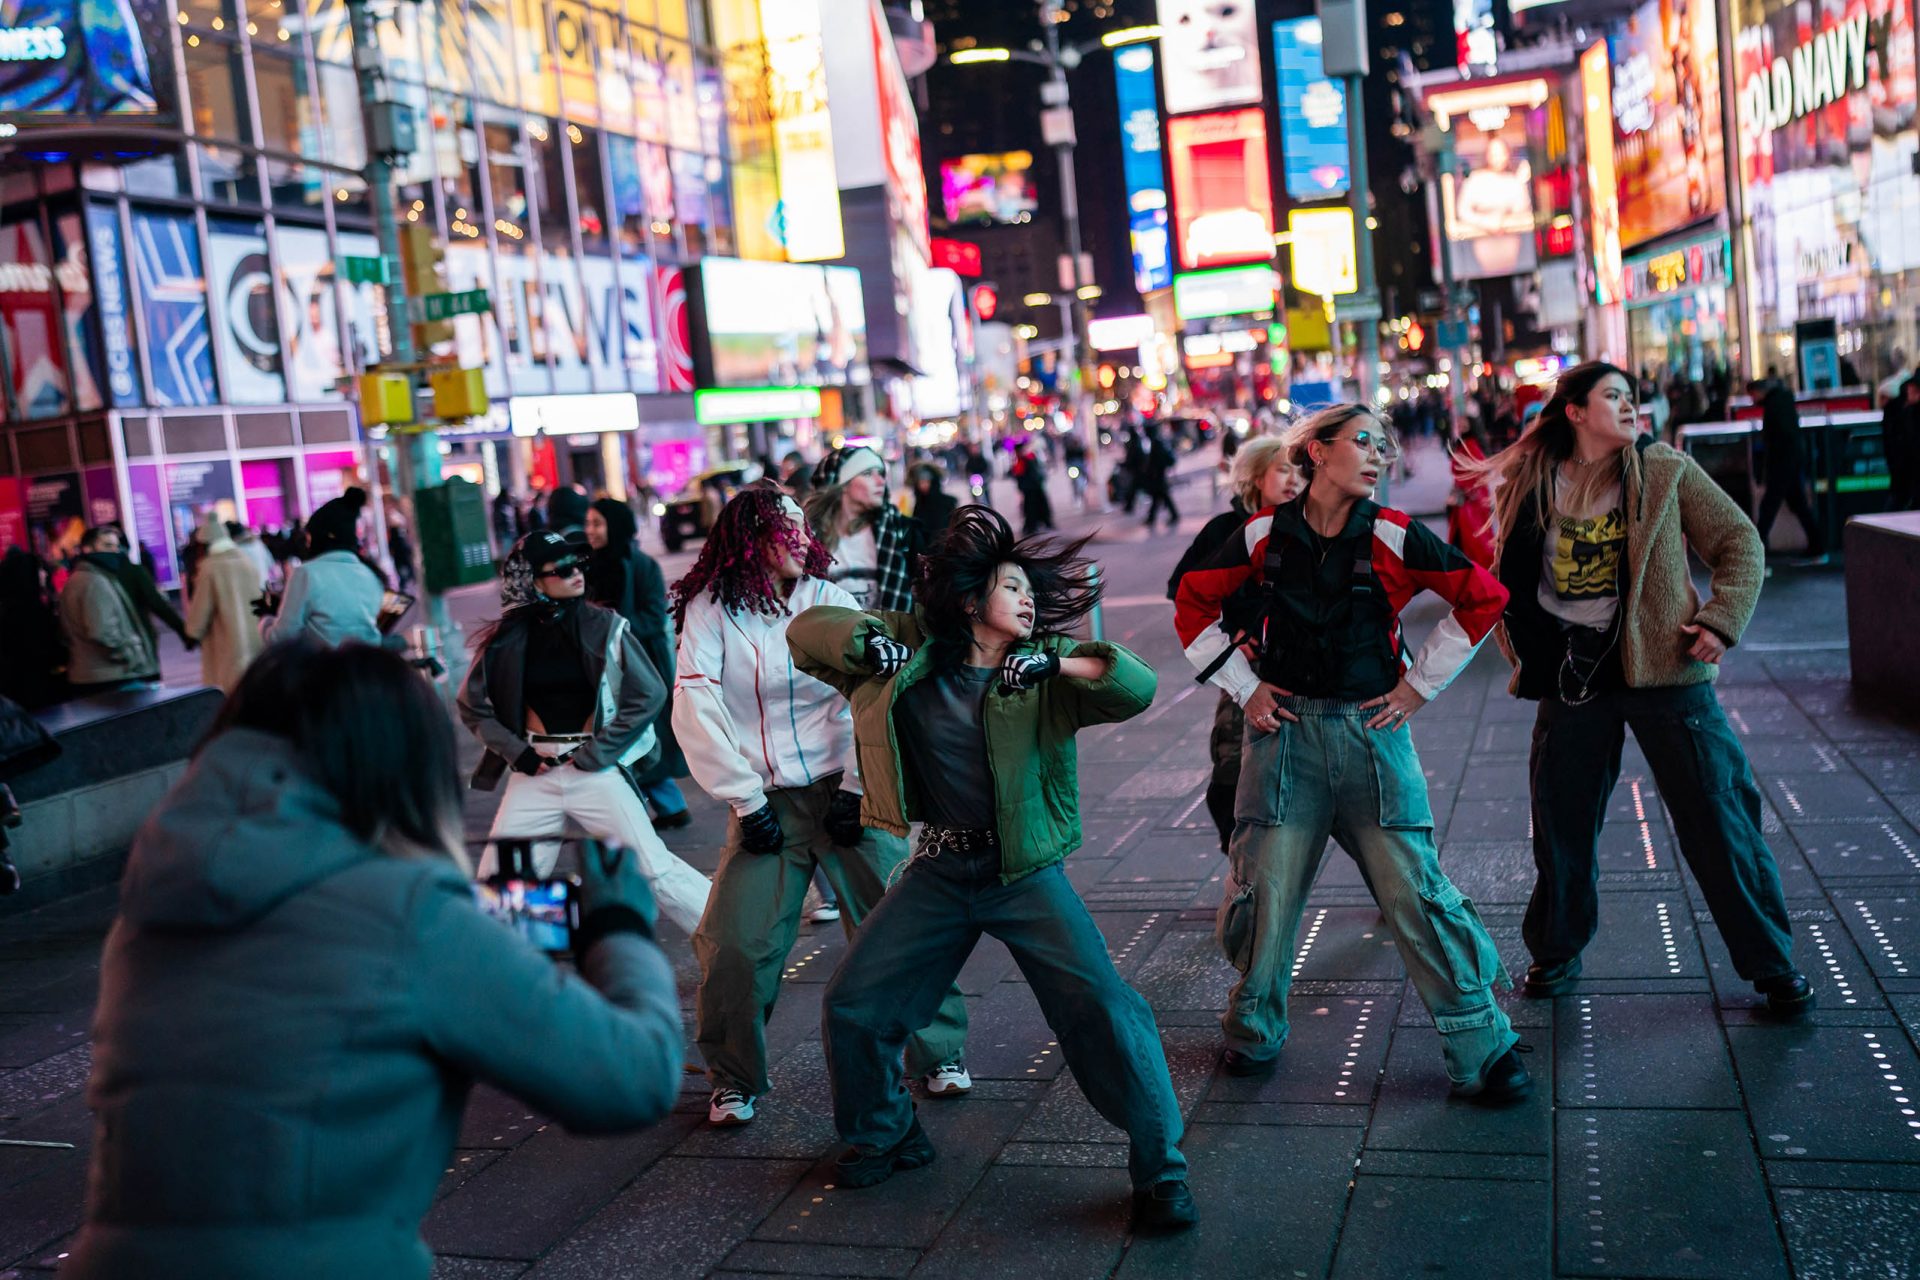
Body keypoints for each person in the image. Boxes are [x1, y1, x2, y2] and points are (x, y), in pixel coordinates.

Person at [64, 641, 684, 1280]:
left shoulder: (149, 914)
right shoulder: (410, 916)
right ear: (398, 768)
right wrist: (618, 930)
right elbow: (632, 1078)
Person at [789, 507, 1196, 1234]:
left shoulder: (1039, 667)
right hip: (940, 869)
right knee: (855, 1000)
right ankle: (886, 1133)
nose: (1029, 600)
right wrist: (866, 646)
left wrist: (1057, 659)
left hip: (1025, 873)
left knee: (1105, 1008)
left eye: (1031, 591)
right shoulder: (913, 650)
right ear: (973, 598)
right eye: (1013, 587)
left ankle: (1161, 1170)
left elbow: (1133, 685)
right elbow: (807, 633)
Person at [1175, 405, 1529, 1102]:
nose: (1380, 455)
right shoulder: (1256, 533)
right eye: (1363, 441)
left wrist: (1416, 689)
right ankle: (1253, 1030)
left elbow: (1483, 598)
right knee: (1263, 895)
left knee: (1417, 894)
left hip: (1373, 739)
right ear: (1315, 451)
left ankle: (1481, 1045)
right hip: (1281, 741)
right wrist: (1244, 689)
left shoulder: (1395, 533)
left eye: (1384, 444)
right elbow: (1190, 603)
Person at [1470, 361, 1811, 1016]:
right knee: (1561, 819)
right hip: (1575, 676)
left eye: (1633, 397)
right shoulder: (1533, 480)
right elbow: (1507, 576)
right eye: (1613, 397)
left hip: (1666, 668)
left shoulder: (1665, 470)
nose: (1631, 407)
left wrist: (1721, 619)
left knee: (1718, 814)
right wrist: (1523, 650)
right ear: (1574, 411)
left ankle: (1772, 964)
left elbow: (1740, 540)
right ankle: (1557, 950)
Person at [671, 485, 969, 1127]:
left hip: (846, 791)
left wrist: (860, 787)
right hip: (766, 802)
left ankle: (938, 1050)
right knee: (735, 946)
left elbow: (872, 694)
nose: (804, 542)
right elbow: (694, 703)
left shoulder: (828, 600)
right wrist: (745, 801)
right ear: (750, 542)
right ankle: (733, 1077)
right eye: (787, 532)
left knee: (902, 921)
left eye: (805, 529)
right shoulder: (710, 608)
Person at [458, 531, 711, 934]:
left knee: (654, 869)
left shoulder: (604, 625)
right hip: (533, 773)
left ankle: (737, 945)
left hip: (593, 769)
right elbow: (471, 705)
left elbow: (649, 692)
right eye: (560, 568)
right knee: (502, 880)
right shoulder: (507, 638)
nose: (575, 574)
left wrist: (601, 751)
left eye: (577, 565)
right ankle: (509, 972)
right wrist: (517, 753)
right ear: (531, 581)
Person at [1166, 436, 1302, 854]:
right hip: (1246, 668)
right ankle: (1239, 850)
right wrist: (1228, 644)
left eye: (1300, 472)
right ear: (1255, 477)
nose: (1293, 480)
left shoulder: (1309, 524)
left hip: (1303, 665)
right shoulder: (1226, 530)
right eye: (1282, 470)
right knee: (1232, 762)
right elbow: (1182, 588)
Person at [584, 498, 691, 831]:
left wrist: (613, 626)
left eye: (598, 523)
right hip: (603, 668)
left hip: (641, 664)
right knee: (621, 736)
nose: (591, 530)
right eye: (588, 523)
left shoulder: (641, 565)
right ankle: (662, 807)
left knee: (642, 736)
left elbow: (653, 616)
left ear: (615, 525)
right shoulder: (586, 565)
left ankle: (667, 806)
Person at [804, 445, 923, 612]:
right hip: (831, 635)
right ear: (842, 483)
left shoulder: (902, 531)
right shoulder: (807, 539)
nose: (881, 481)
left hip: (891, 634)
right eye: (868, 474)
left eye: (880, 473)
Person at [268, 487, 386, 647]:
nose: (306, 543)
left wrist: (265, 620)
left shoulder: (306, 574)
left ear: (322, 537)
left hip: (327, 669)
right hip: (369, 667)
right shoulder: (371, 574)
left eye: (309, 537)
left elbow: (281, 637)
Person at [58, 525, 160, 694]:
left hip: (94, 672)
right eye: (107, 545)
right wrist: (129, 656)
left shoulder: (84, 578)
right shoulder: (94, 582)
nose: (114, 551)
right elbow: (102, 632)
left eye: (116, 546)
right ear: (87, 549)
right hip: (110, 675)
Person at [184, 516, 266, 693]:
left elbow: (201, 609)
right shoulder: (245, 561)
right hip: (253, 640)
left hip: (225, 643)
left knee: (228, 694)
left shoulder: (210, 568)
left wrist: (192, 633)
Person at [1749, 375, 1827, 561]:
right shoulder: (1781, 401)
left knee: (1769, 508)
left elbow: (1779, 438)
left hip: (1781, 465)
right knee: (1797, 506)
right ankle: (1817, 545)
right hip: (1788, 463)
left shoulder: (1773, 406)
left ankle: (1758, 551)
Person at [0, 545, 70, 708]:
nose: (44, 574)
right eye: (39, 570)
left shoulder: (9, 607)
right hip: (38, 685)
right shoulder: (30, 610)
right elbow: (44, 649)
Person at [1446, 422, 1498, 568]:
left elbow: (1476, 472)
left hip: (1470, 502)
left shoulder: (1469, 447)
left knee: (1475, 541)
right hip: (1468, 499)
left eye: (1463, 424)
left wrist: (1466, 490)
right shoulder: (1465, 446)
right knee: (1473, 541)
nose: (1460, 426)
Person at [1139, 422, 1180, 532]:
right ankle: (1152, 518)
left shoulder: (1157, 444)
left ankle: (1173, 515)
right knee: (1158, 497)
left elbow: (1159, 460)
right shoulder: (1156, 442)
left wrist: (1155, 470)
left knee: (1162, 495)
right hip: (1157, 476)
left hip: (1158, 476)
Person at [1013, 443, 1054, 535]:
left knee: (1038, 506)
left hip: (1034, 487)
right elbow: (1018, 475)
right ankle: (1033, 526)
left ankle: (1042, 523)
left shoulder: (1029, 458)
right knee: (1031, 508)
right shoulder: (1021, 461)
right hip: (1029, 489)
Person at [909, 461, 957, 538]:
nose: (923, 485)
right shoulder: (919, 506)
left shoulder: (948, 502)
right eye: (920, 482)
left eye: (926, 481)